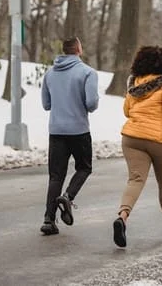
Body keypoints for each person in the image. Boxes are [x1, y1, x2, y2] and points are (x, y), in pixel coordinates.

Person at [112, 46, 162, 248]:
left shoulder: (135, 83)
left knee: (136, 179)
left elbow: (127, 110)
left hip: (132, 137)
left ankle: (122, 216)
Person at [40, 36, 99, 235]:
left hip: (56, 131)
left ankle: (48, 220)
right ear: (78, 49)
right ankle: (68, 196)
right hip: (79, 130)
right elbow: (91, 103)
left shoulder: (49, 74)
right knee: (84, 167)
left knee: (55, 176)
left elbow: (46, 105)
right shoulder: (88, 73)